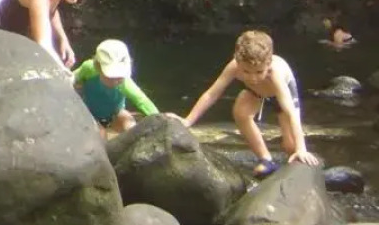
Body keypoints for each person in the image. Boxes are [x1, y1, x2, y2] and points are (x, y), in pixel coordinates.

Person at [182, 29, 320, 177]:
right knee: (241, 111)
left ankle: (299, 172)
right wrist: (188, 120)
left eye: (259, 72)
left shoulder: (275, 74)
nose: (253, 78)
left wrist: (301, 148)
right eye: (246, 72)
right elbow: (212, 94)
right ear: (238, 61)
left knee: (290, 145)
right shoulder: (234, 66)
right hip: (256, 92)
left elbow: (291, 112)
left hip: (279, 94)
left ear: (269, 63)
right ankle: (266, 159)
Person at [72, 39, 158, 136]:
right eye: (112, 77)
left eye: (120, 76)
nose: (116, 81)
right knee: (100, 134)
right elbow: (71, 78)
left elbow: (142, 101)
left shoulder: (125, 83)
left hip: (115, 113)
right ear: (98, 67)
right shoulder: (88, 68)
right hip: (89, 113)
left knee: (130, 126)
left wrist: (160, 119)